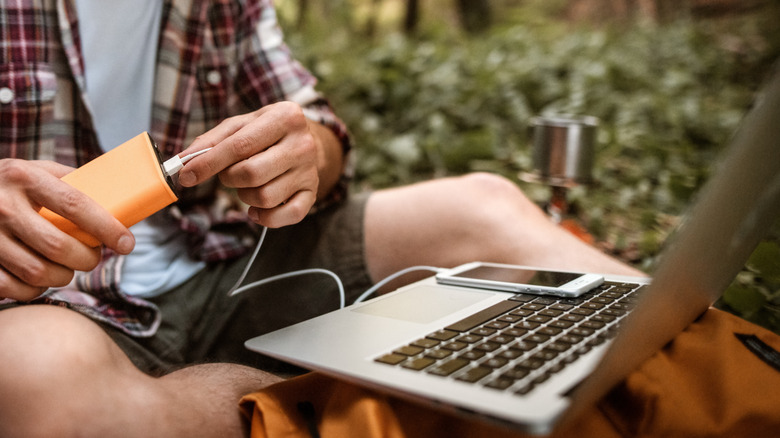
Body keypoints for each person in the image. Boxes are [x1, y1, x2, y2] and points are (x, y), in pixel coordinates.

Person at [0, 0, 643, 436]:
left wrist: (304, 148)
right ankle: (400, 405)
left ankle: (716, 366)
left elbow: (317, 127)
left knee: (483, 205)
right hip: (43, 309)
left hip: (224, 257)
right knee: (38, 385)